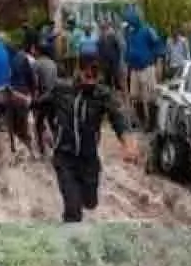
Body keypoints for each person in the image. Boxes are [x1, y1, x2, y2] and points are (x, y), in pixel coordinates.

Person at [38, 49, 139, 222]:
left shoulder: (102, 95)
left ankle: (81, 204)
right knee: (73, 209)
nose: (90, 75)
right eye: (86, 71)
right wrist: (43, 130)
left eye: (95, 72)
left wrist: (128, 143)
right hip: (65, 158)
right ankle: (71, 233)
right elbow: (41, 107)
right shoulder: (61, 89)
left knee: (90, 203)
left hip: (89, 160)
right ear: (78, 69)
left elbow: (118, 118)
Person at [123, 8, 163, 131]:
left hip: (147, 68)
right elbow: (128, 49)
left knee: (150, 97)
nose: (129, 24)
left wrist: (159, 64)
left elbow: (158, 45)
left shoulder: (148, 30)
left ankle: (152, 124)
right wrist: (126, 66)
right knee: (135, 96)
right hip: (134, 69)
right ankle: (142, 121)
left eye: (130, 21)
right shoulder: (129, 33)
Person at [32, 46, 59, 155]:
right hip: (55, 96)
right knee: (52, 122)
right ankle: (57, 146)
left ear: (39, 52)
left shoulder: (37, 63)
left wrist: (35, 99)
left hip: (44, 97)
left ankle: (41, 149)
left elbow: (35, 82)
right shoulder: (53, 63)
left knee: (38, 123)